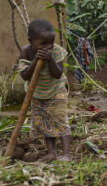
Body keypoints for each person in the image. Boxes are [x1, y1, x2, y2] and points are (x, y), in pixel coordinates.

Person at [17, 19, 73, 162]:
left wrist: (50, 60)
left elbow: (58, 74)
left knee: (60, 119)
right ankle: (51, 153)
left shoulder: (57, 51)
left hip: (56, 90)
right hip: (37, 93)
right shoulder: (26, 51)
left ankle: (66, 154)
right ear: (30, 41)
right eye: (43, 43)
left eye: (51, 43)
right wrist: (36, 61)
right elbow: (25, 76)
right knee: (45, 123)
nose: (48, 47)